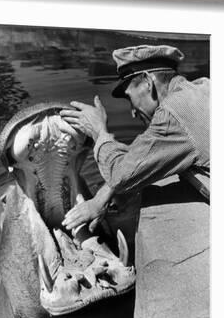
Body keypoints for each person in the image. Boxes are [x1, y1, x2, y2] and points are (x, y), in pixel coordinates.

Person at [60, 44, 210, 232]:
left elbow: (121, 176)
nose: (132, 112)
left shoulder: (172, 114)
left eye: (129, 98)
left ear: (148, 82)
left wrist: (100, 132)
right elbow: (142, 158)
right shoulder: (201, 88)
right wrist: (100, 199)